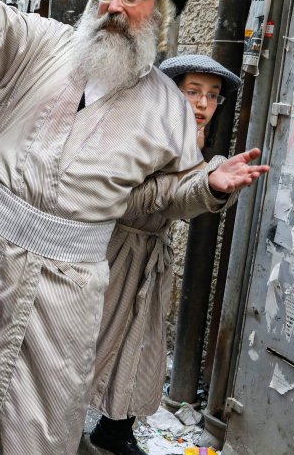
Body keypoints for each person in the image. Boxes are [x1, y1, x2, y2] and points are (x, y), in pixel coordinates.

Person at [0, 0, 268, 454]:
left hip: (67, 282)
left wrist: (208, 185)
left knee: (39, 419)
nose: (115, 5)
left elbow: (154, 199)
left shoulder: (168, 110)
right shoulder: (44, 43)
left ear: (159, 13)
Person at [87, 55, 245, 455]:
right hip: (113, 247)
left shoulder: (194, 140)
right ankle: (51, 427)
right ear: (167, 92)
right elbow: (123, 199)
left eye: (212, 96)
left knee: (138, 343)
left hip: (151, 253)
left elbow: (183, 202)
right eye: (192, 91)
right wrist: (202, 186)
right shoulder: (143, 133)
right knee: (89, 341)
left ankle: (115, 428)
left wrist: (210, 188)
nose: (203, 104)